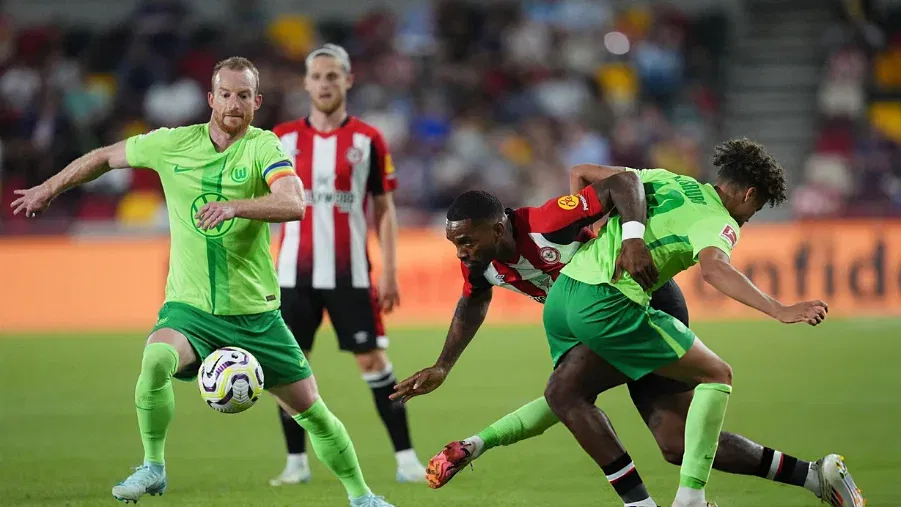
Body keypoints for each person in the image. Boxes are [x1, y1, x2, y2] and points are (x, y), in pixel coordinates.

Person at [10, 57, 394, 507]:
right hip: (191, 311)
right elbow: (102, 158)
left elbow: (294, 202)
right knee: (155, 361)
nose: (235, 103)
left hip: (256, 315)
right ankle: (153, 467)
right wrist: (48, 189)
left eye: (244, 95)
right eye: (226, 94)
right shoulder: (172, 144)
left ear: (257, 102)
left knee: (313, 412)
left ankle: (362, 497)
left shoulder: (263, 147)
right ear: (211, 99)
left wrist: (236, 207)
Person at [393, 157, 863, 507]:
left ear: (497, 228)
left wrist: (629, 236)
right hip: (588, 307)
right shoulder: (482, 264)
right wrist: (443, 365)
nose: (461, 252)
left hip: (636, 298)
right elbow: (473, 300)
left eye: (466, 240)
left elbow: (621, 183)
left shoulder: (548, 222)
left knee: (567, 392)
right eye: (455, 243)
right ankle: (813, 476)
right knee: (672, 442)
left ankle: (661, 502)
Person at [537, 140, 858, 507]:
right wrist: (778, 309)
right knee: (717, 374)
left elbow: (580, 172)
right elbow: (715, 269)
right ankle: (691, 498)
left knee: (671, 438)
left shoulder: (666, 179)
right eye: (756, 206)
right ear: (748, 193)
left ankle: (811, 476)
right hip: (607, 306)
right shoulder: (719, 220)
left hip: (563, 296)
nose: (749, 217)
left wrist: (588, 234)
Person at [269, 43, 426, 486]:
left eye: (332, 76)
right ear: (305, 82)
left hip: (350, 272)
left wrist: (390, 270)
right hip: (292, 274)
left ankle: (406, 458)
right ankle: (296, 463)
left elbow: (385, 209)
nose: (324, 84)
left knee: (373, 362)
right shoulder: (279, 138)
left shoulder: (368, 139)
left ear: (348, 80)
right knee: (286, 368)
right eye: (316, 76)